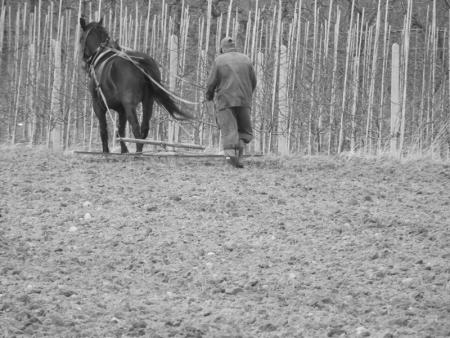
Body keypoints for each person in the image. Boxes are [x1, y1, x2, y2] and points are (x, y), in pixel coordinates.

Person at [205, 36, 257, 168]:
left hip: (226, 101)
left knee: (229, 131)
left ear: (222, 49)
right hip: (244, 100)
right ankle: (238, 158)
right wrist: (247, 94)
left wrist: (209, 96)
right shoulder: (246, 59)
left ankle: (230, 160)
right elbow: (254, 81)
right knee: (244, 131)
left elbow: (211, 82)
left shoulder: (219, 60)